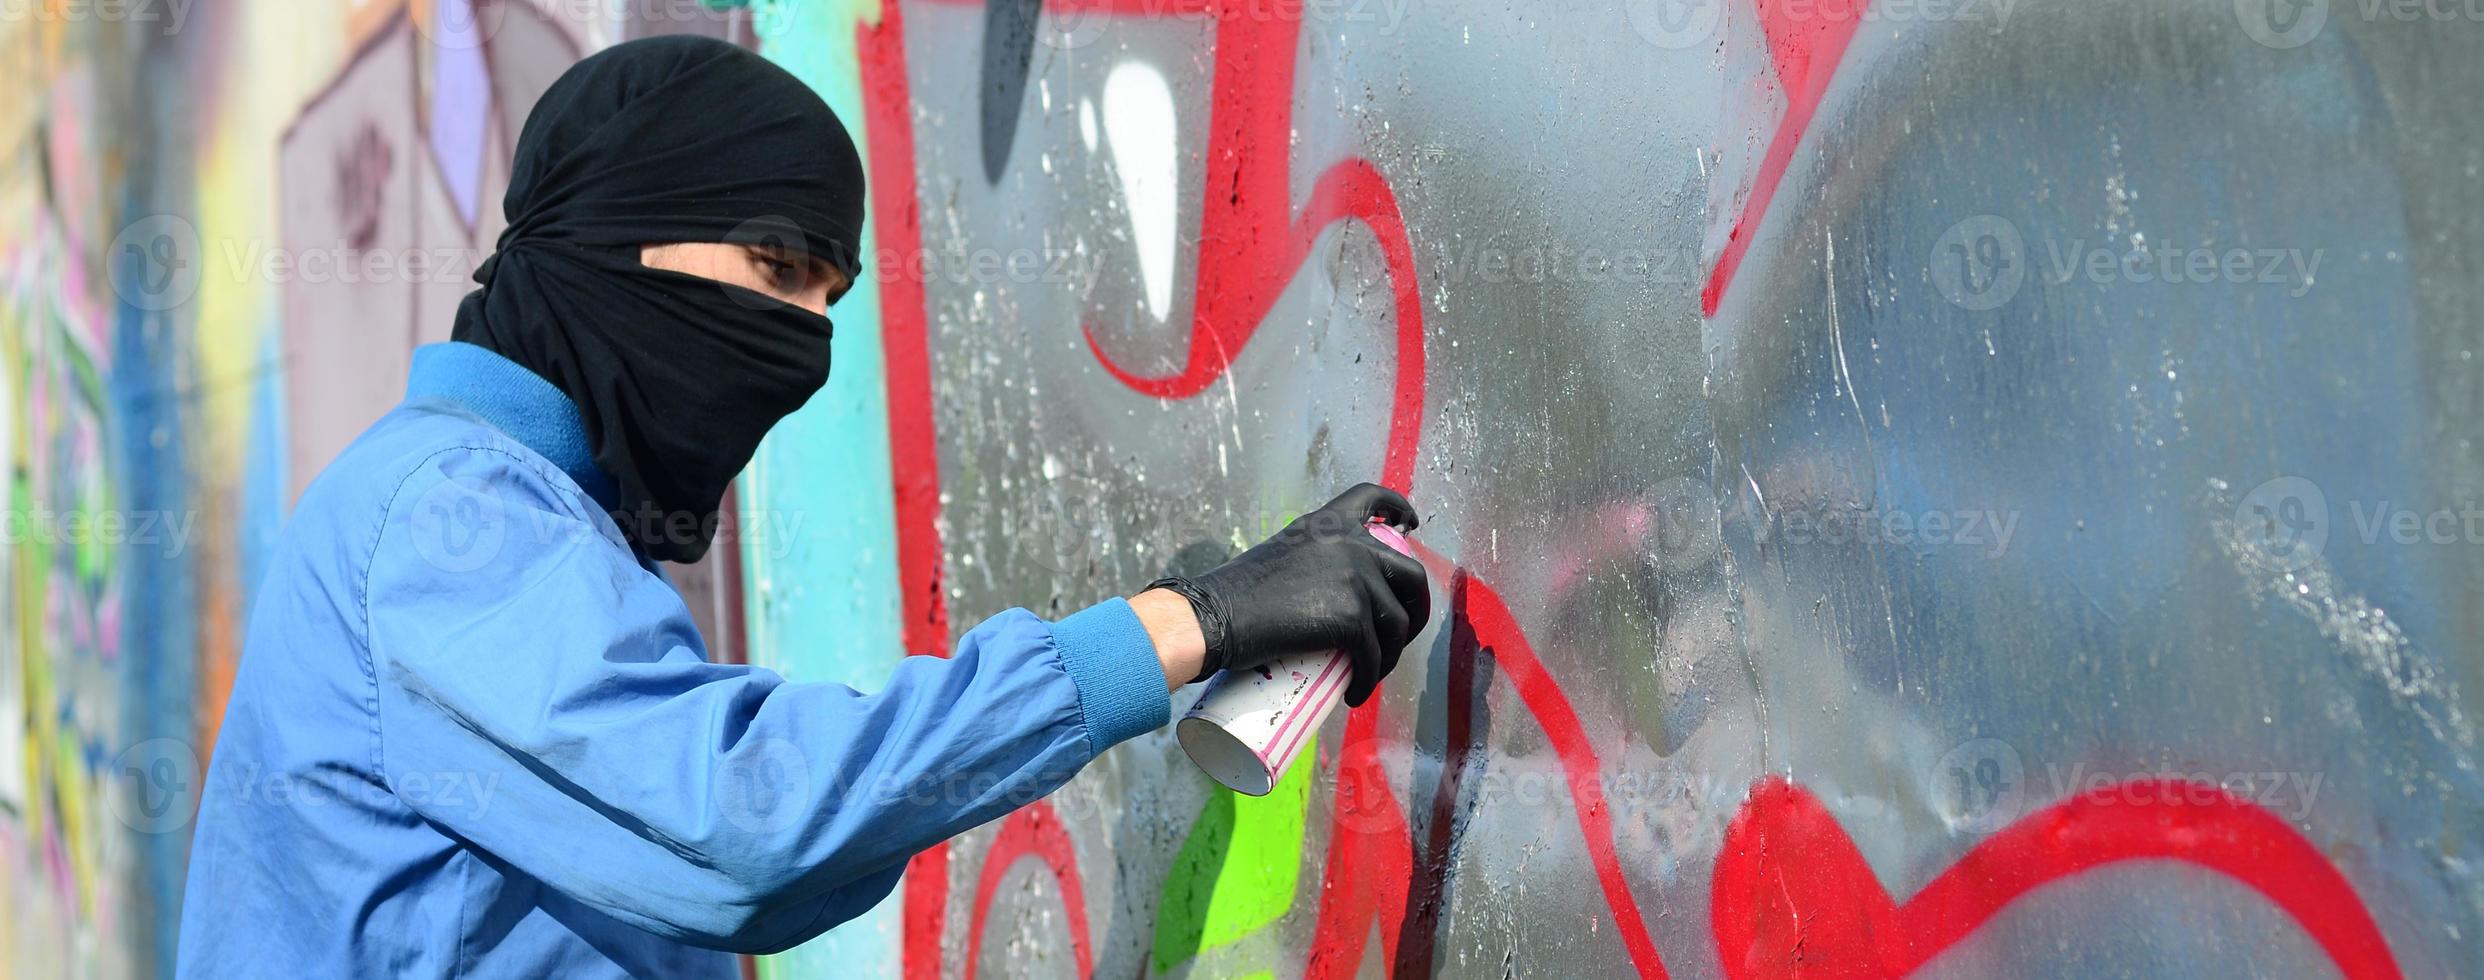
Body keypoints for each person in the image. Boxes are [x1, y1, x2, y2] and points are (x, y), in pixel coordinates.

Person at [175, 36, 1431, 978]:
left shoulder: (516, 516)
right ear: (618, 234)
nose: (808, 338)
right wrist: (1179, 624)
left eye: (831, 291)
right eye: (777, 270)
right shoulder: (456, 521)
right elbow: (746, 821)